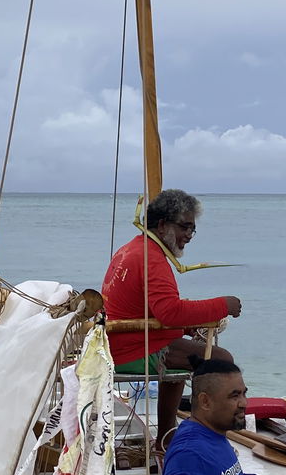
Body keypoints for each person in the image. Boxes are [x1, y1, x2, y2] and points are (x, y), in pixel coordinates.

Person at [102, 188, 244, 450]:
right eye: (184, 228)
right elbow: (169, 312)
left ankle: (166, 435)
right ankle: (206, 436)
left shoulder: (133, 248)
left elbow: (156, 310)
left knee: (183, 347)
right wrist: (223, 305)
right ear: (162, 225)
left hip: (118, 342)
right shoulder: (152, 258)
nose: (189, 236)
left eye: (193, 229)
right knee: (223, 361)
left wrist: (190, 324)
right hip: (131, 350)